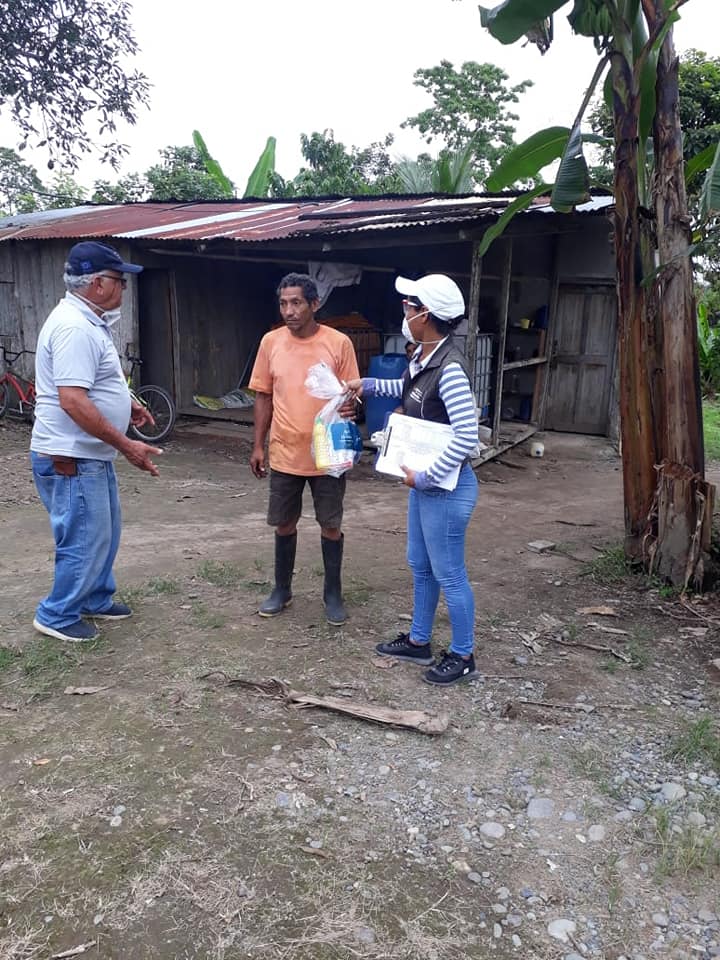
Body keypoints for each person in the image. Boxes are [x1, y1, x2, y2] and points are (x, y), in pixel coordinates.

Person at [346, 274, 479, 685]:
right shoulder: (424, 357)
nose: (404, 311)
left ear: (427, 314)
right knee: (420, 565)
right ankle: (419, 641)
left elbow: (468, 436)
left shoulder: (450, 369)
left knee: (449, 572)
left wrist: (426, 477)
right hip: (424, 487)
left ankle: (463, 654)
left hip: (445, 489)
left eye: (410, 305)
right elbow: (407, 389)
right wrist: (367, 385)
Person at [30, 241, 161, 643]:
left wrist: (127, 402)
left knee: (103, 532)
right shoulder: (73, 327)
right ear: (99, 284)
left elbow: (93, 383)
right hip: (71, 456)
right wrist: (126, 444)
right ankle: (57, 613)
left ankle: (94, 598)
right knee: (84, 537)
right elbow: (72, 400)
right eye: (121, 281)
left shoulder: (89, 321)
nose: (124, 288)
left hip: (88, 454)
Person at [249, 273, 360, 625]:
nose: (289, 311)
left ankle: (333, 593)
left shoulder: (338, 343)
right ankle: (282, 590)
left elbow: (351, 393)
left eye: (296, 303)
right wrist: (258, 445)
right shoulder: (271, 342)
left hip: (327, 452)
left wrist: (351, 407)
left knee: (330, 524)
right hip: (285, 450)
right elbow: (263, 396)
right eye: (283, 303)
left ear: (315, 303)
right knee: (284, 523)